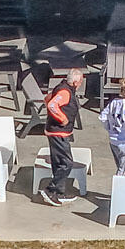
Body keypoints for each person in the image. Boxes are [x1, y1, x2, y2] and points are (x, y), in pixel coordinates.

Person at [38, 67, 84, 204]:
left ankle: (59, 192)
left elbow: (47, 99)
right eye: (80, 81)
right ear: (75, 82)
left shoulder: (61, 87)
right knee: (66, 163)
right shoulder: (65, 92)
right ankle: (50, 190)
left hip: (55, 131)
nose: (81, 84)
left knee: (58, 162)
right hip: (58, 132)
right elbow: (52, 105)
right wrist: (62, 118)